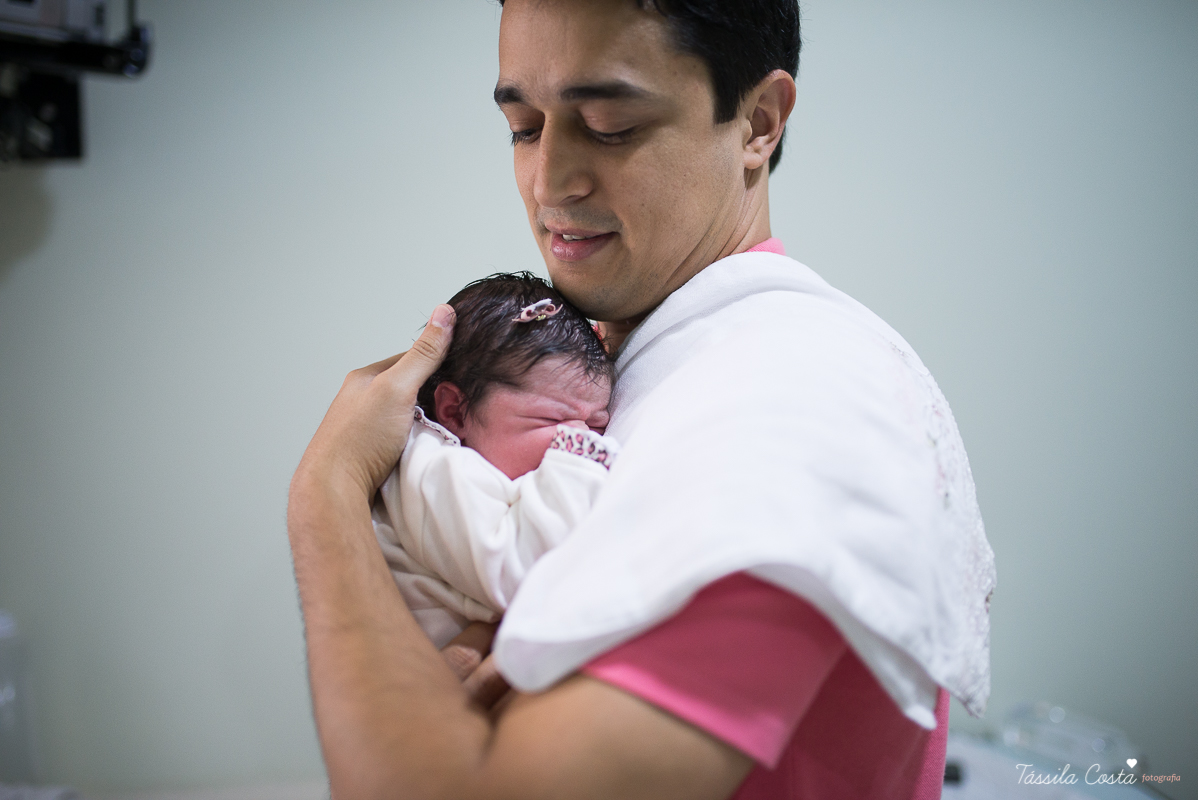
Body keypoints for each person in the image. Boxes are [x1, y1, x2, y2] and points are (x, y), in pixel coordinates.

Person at [286, 1, 997, 798]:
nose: (548, 181)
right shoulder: (622, 362)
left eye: (609, 125)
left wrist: (327, 493)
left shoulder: (796, 407)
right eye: (523, 128)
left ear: (758, 122)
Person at [372, 273, 618, 648]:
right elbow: (519, 575)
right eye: (552, 421)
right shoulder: (435, 472)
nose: (581, 437)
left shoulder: (480, 455)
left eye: (597, 423)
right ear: (455, 411)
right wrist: (578, 462)